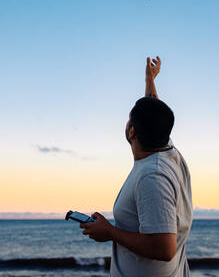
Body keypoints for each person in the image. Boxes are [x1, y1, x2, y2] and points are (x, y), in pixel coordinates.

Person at [79, 56, 193, 277]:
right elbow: (153, 113)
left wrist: (110, 232)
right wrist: (150, 79)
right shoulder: (167, 150)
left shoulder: (153, 176)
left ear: (132, 131)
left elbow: (164, 247)